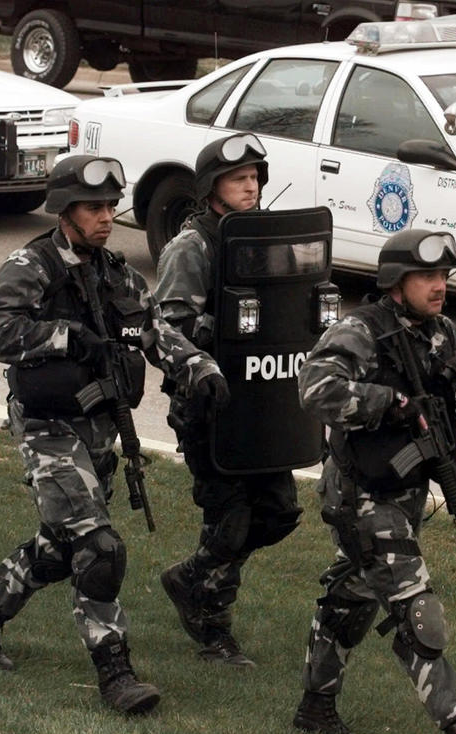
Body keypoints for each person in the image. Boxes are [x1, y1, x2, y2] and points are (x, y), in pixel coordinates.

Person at [0, 155, 228, 715]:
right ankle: (115, 673)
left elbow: (152, 329)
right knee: (98, 548)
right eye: (93, 208)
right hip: (48, 428)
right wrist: (67, 337)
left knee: (58, 545)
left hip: (97, 429)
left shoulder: (114, 270)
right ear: (65, 210)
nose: (105, 217)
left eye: (110, 207)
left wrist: (197, 368)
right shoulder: (31, 265)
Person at [291, 229, 456, 734]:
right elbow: (314, 388)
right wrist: (389, 402)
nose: (439, 287)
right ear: (395, 283)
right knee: (416, 607)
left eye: (442, 277)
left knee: (353, 596)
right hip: (360, 497)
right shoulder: (360, 332)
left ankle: (314, 708)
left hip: (404, 493)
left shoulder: (442, 335)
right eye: (426, 277)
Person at [154, 132, 302, 668]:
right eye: (240, 178)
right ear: (212, 187)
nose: (252, 186)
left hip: (264, 399)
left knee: (281, 512)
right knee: (230, 517)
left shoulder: (262, 237)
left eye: (256, 177)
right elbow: (167, 327)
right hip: (209, 403)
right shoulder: (190, 247)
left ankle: (190, 576)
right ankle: (214, 631)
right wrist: (229, 333)